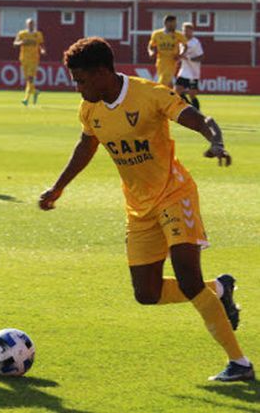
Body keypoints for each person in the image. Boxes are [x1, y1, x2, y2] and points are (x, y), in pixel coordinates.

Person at [38, 37, 254, 382]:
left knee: (187, 276)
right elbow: (86, 145)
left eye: (81, 80)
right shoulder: (90, 109)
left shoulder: (150, 94)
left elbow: (200, 119)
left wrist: (216, 141)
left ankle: (239, 363)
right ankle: (220, 290)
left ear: (103, 72)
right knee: (146, 294)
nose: (77, 88)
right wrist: (58, 186)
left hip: (174, 193)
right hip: (138, 208)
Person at [148, 14, 187, 88]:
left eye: (175, 24)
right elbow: (151, 46)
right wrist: (151, 52)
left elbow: (185, 46)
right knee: (168, 82)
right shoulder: (156, 34)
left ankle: (158, 94)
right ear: (166, 23)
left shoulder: (178, 35)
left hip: (172, 61)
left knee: (164, 80)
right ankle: (170, 97)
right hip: (160, 61)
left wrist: (181, 54)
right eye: (173, 24)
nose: (175, 25)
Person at [13, 18, 45, 106]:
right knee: (28, 79)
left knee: (30, 78)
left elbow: (41, 45)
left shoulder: (38, 34)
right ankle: (35, 92)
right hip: (24, 58)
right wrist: (21, 43)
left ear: (34, 25)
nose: (31, 25)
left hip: (34, 59)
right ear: (26, 25)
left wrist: (42, 50)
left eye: (32, 24)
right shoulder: (22, 34)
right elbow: (15, 43)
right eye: (29, 24)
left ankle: (26, 99)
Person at [174, 22, 204, 111]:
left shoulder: (195, 42)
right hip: (183, 71)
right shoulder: (181, 42)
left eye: (187, 30)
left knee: (192, 94)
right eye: (184, 30)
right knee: (176, 91)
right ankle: (189, 108)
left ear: (192, 31)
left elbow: (201, 57)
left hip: (193, 72)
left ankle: (197, 111)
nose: (185, 32)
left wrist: (189, 58)